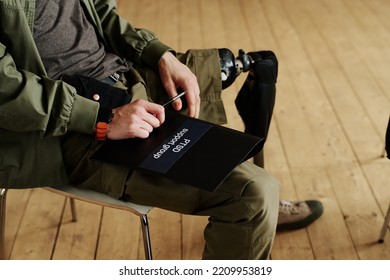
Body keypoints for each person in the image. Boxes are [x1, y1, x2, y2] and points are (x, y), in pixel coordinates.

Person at [0, 0, 321, 259]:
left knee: (257, 66)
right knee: (254, 196)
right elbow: (6, 89)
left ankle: (255, 223)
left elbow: (100, 10)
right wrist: (101, 118)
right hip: (67, 127)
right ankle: (254, 213)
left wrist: (160, 54)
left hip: (123, 75)